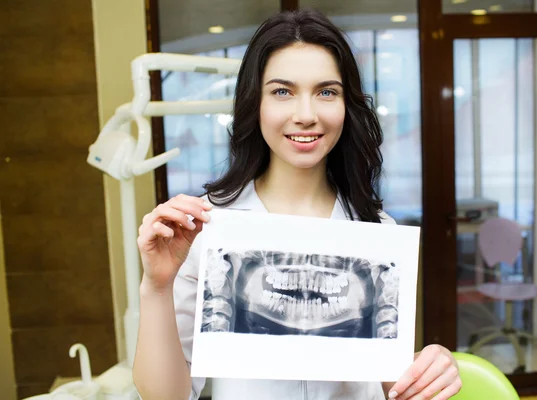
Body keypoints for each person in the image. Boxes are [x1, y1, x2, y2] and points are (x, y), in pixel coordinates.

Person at [133, 8, 462, 400]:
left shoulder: (377, 233)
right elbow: (167, 396)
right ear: (255, 103)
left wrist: (431, 368)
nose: (306, 115)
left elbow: (393, 383)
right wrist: (156, 287)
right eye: (282, 91)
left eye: (326, 91)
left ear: (346, 105)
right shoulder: (203, 229)